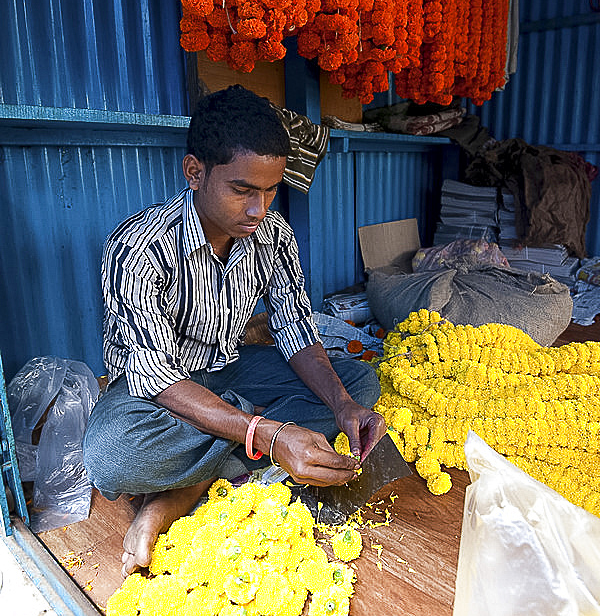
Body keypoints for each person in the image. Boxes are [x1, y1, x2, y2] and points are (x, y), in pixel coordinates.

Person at [83, 86, 385, 575]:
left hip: (232, 371)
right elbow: (157, 378)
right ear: (195, 172)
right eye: (242, 190)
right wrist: (267, 431)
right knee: (112, 456)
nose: (258, 209)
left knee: (358, 384)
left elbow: (296, 331)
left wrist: (342, 405)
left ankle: (186, 486)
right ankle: (246, 451)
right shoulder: (138, 248)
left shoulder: (273, 235)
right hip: (158, 393)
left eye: (270, 190)